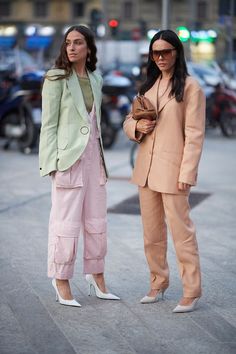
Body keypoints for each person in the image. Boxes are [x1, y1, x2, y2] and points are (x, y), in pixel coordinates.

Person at [123, 29, 205, 313]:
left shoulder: (191, 87)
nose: (160, 57)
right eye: (155, 52)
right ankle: (158, 283)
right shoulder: (148, 86)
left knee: (182, 232)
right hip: (146, 170)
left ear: (176, 53)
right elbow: (128, 119)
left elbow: (195, 134)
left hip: (173, 172)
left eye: (166, 51)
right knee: (151, 233)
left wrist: (187, 173)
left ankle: (192, 290)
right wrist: (137, 127)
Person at [39, 25, 120, 307]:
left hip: (94, 160)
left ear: (88, 48)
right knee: (65, 223)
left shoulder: (96, 78)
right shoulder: (56, 78)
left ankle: (96, 276)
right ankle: (60, 278)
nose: (71, 48)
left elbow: (94, 122)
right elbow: (48, 125)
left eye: (78, 43)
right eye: (68, 43)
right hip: (68, 161)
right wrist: (51, 164)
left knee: (97, 222)